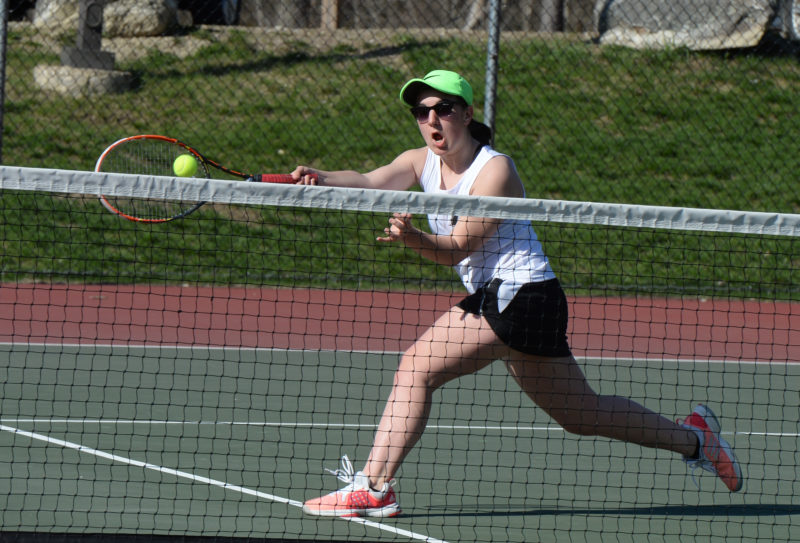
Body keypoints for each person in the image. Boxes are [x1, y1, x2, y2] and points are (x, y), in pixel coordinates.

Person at [291, 69, 743, 518]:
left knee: (416, 367)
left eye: (443, 108)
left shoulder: (495, 170)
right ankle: (696, 440)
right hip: (509, 298)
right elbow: (372, 181)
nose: (432, 119)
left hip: (523, 295)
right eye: (421, 111)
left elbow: (456, 250)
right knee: (580, 415)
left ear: (466, 114)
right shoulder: (419, 161)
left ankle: (374, 487)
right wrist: (321, 177)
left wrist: (412, 239)